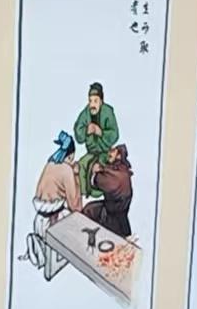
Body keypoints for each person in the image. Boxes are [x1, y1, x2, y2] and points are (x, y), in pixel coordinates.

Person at [28, 131, 83, 277]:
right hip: (54, 222)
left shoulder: (50, 164)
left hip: (39, 220)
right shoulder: (67, 169)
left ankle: (40, 249)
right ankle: (45, 252)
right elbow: (76, 206)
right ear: (71, 156)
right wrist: (76, 176)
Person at [72, 82, 120, 198]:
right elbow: (78, 130)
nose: (92, 105)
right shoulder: (86, 113)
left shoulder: (108, 112)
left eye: (95, 101)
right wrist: (86, 131)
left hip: (105, 152)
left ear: (101, 101)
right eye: (90, 101)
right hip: (91, 152)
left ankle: (100, 193)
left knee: (100, 170)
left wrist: (101, 132)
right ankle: (84, 195)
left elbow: (115, 134)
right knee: (82, 165)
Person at [81, 143, 134, 239]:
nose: (109, 153)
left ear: (119, 156)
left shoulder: (118, 174)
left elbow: (100, 182)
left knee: (88, 211)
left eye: (113, 151)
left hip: (113, 213)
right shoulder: (121, 169)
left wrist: (94, 172)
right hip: (118, 210)